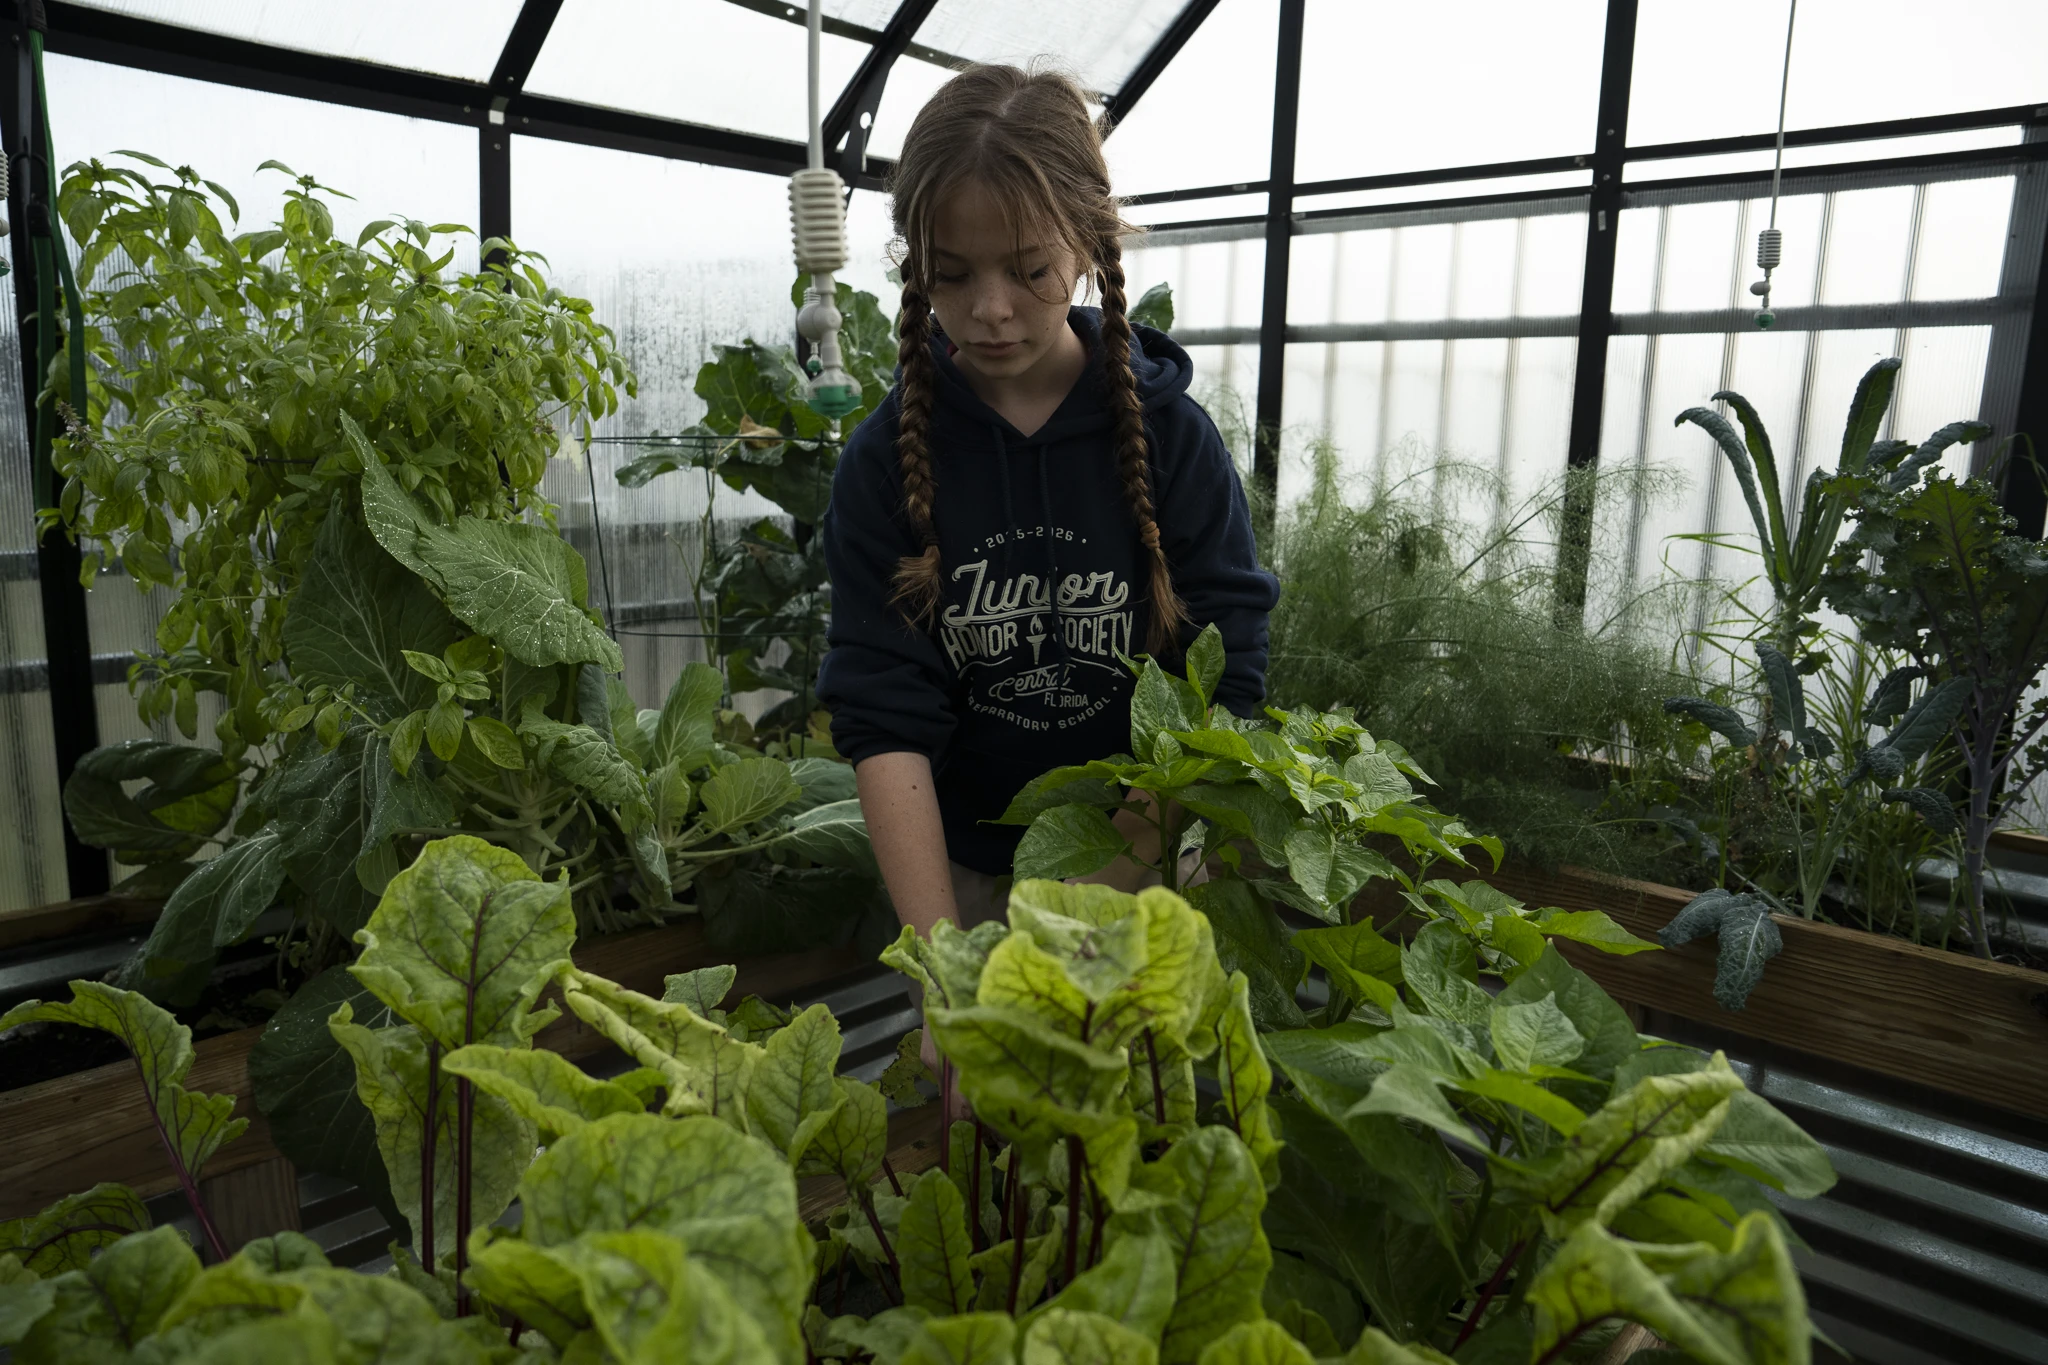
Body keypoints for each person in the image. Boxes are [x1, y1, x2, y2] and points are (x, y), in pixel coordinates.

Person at [816, 64, 1277, 1079]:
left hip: (1151, 863)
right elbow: (882, 717)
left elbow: (1223, 676)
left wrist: (1098, 904)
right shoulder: (884, 464)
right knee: (986, 1156)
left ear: (1087, 238)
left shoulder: (1170, 443)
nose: (988, 311)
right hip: (966, 886)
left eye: (1027, 270)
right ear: (913, 266)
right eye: (950, 274)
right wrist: (943, 967)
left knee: (1143, 1125)